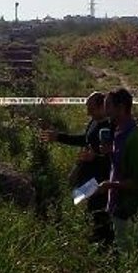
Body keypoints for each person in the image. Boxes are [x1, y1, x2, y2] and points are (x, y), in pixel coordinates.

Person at [44, 91, 114, 245]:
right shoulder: (94, 122)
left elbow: (115, 157)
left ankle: (103, 244)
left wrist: (96, 157)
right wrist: (59, 137)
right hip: (88, 178)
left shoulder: (110, 127)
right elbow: (84, 140)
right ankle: (90, 239)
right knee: (80, 202)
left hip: (101, 181)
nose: (88, 112)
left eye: (91, 108)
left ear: (101, 107)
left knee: (97, 212)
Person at [96, 88, 138, 252]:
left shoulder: (134, 139)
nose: (105, 111)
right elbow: (122, 167)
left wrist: (110, 185)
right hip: (119, 205)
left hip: (131, 210)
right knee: (122, 248)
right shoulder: (119, 133)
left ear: (121, 108)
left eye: (108, 106)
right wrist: (110, 152)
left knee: (132, 253)